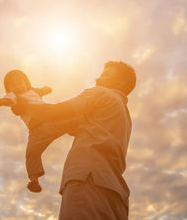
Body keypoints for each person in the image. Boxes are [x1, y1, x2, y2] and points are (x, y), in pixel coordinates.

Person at [12, 61, 136, 220]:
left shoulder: (101, 93)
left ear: (119, 82)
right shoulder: (123, 115)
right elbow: (70, 125)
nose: (98, 78)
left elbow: (56, 113)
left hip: (88, 180)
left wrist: (26, 106)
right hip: (116, 194)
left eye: (106, 75)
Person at [0, 69, 78, 193]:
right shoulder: (13, 96)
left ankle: (75, 127)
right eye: (14, 84)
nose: (18, 86)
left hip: (48, 119)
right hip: (36, 132)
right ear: (9, 89)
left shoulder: (33, 91)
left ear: (26, 82)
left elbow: (42, 90)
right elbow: (4, 101)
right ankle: (34, 180)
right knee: (31, 153)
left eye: (20, 82)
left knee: (65, 120)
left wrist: (46, 89)